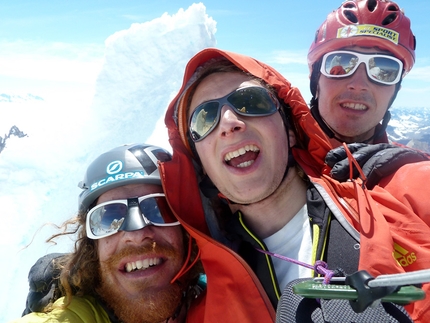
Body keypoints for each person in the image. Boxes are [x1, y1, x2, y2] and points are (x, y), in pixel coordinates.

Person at [160, 47, 430, 323]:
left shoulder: (403, 196)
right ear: (201, 167)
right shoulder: (207, 313)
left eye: (251, 101)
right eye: (204, 119)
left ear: (290, 131)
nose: (229, 123)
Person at [12, 143, 203, 323]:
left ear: (187, 233)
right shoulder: (74, 315)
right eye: (108, 218)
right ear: (92, 248)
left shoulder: (225, 291)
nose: (135, 235)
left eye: (159, 210)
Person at [307, 0, 416, 146]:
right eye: (342, 65)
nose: (358, 85)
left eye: (384, 73)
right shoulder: (272, 159)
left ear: (395, 90)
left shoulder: (412, 165)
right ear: (314, 78)